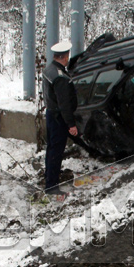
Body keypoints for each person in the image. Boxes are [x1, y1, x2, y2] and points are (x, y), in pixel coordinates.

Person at [42, 41, 78, 194]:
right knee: (56, 151)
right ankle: (52, 187)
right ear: (65, 57)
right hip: (59, 118)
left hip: (51, 114)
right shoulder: (60, 77)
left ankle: (49, 178)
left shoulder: (48, 70)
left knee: (51, 149)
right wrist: (71, 124)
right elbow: (64, 104)